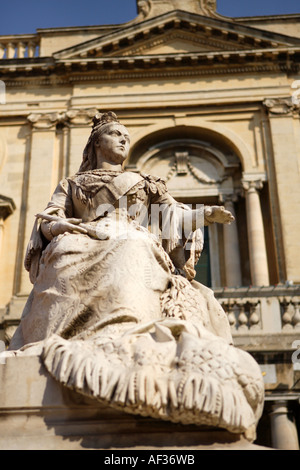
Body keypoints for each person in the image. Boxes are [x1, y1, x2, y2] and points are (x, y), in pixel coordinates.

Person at [8, 112, 264, 436]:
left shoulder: (145, 183)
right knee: (64, 253)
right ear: (97, 142)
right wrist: (60, 225)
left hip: (130, 237)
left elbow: (171, 213)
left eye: (126, 136)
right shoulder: (71, 183)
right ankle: (78, 336)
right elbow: (50, 216)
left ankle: (127, 330)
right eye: (115, 134)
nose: (124, 139)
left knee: (133, 246)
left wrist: (203, 214)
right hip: (80, 238)